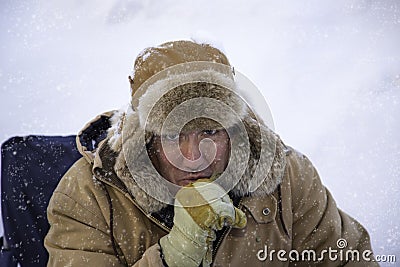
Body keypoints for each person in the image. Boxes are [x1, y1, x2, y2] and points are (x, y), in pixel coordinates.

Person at [44, 40, 378, 266]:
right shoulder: (90, 196)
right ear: (148, 140)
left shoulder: (289, 178)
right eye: (174, 135)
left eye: (209, 131)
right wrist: (172, 258)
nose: (194, 157)